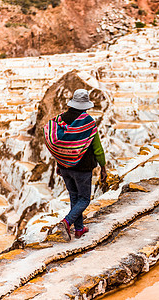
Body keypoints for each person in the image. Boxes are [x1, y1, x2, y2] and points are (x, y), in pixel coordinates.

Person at [44, 89, 107, 241]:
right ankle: (66, 223)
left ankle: (79, 229)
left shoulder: (59, 120)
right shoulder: (88, 122)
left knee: (74, 197)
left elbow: (60, 146)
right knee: (84, 199)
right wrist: (103, 167)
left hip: (65, 167)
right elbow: (97, 149)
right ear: (85, 105)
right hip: (83, 168)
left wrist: (60, 162)